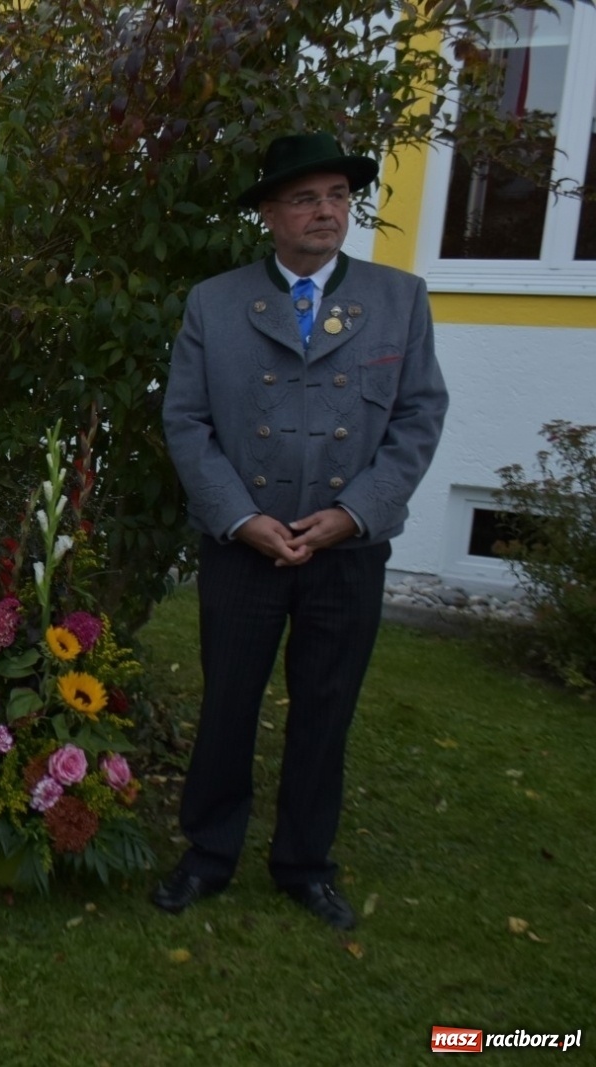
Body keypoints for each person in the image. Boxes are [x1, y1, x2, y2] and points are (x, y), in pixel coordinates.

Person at [155, 132, 448, 930]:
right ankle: (208, 854)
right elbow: (186, 419)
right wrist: (241, 517)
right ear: (269, 215)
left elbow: (420, 416)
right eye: (306, 198)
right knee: (228, 707)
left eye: (338, 197)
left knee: (327, 708)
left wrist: (355, 513)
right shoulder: (215, 303)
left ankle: (304, 864)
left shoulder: (400, 298)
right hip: (244, 549)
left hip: (347, 551)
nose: (326, 212)